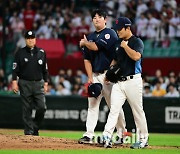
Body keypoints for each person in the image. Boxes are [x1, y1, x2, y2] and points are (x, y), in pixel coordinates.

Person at [78, 9, 127, 144]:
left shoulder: (109, 33)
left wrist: (84, 43)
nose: (96, 19)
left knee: (114, 106)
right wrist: (89, 77)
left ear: (105, 19)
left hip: (109, 74)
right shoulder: (91, 36)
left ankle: (122, 133)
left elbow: (95, 47)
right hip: (95, 75)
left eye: (99, 17)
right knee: (92, 106)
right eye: (94, 17)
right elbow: (87, 60)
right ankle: (89, 135)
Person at [100, 17, 149, 149]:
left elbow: (136, 56)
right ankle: (106, 136)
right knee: (114, 110)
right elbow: (115, 61)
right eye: (117, 29)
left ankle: (143, 139)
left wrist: (125, 47)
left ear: (128, 28)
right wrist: (109, 73)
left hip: (133, 81)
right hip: (119, 82)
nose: (118, 32)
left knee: (137, 111)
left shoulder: (136, 41)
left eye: (120, 29)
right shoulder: (118, 43)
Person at [12, 30, 48, 136]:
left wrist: (46, 82)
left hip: (38, 83)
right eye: (28, 38)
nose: (30, 40)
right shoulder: (20, 53)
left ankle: (35, 127)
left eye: (32, 38)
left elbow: (45, 69)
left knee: (42, 107)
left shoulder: (41, 52)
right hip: (25, 83)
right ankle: (29, 131)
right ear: (25, 40)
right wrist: (14, 81)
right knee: (26, 108)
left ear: (35, 39)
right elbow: (15, 69)